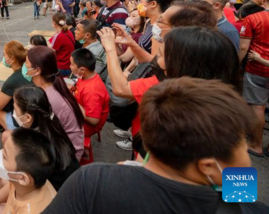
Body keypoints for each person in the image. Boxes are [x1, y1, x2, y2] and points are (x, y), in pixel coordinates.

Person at [43, 78, 268, 214]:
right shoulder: (250, 206)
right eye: (242, 143)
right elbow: (242, 197)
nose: (247, 159)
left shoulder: (92, 180)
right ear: (207, 166)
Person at [99, 26, 241, 141]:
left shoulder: (164, 87)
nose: (156, 57)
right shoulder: (222, 103)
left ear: (180, 62)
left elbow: (120, 89)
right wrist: (132, 44)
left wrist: (110, 49)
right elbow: (243, 175)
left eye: (160, 54)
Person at [0, 86, 80, 189]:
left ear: (27, 118)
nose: (13, 113)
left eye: (15, 109)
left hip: (55, 192)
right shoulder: (50, 121)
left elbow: (26, 180)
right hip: (72, 181)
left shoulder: (34, 146)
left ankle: (9, 204)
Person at [24, 46, 84, 160]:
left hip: (66, 154)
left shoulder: (48, 97)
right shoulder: (53, 84)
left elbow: (39, 130)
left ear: (37, 70)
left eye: (26, 62)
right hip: (63, 142)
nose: (25, 66)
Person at [0, 128, 57, 214]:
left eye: (5, 157)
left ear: (23, 179)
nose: (0, 154)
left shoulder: (31, 211)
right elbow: (10, 186)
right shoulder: (27, 181)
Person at [237, 0, 269, 158]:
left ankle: (256, 145)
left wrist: (235, 64)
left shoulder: (253, 18)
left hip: (258, 68)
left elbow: (243, 47)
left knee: (258, 106)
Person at [70, 49, 110, 138]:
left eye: (72, 64)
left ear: (82, 69)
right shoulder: (85, 76)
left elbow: (93, 120)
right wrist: (74, 89)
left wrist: (73, 101)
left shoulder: (92, 90)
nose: (70, 66)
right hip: (82, 108)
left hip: (87, 126)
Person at [49, 13, 76, 77]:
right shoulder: (68, 32)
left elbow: (50, 52)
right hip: (68, 64)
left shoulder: (59, 36)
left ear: (54, 23)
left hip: (61, 67)